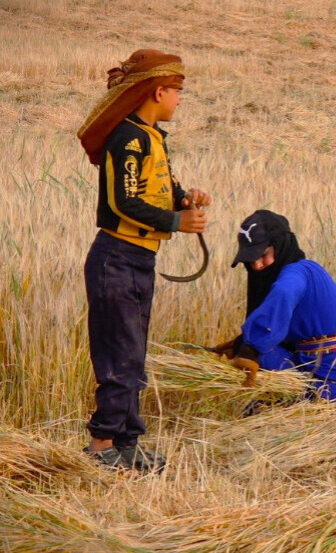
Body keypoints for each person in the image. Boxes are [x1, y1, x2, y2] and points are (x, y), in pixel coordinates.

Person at [77, 49, 211, 472]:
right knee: (119, 355)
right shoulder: (128, 138)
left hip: (137, 259)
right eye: (177, 91)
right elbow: (124, 201)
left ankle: (127, 442)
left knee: (133, 356)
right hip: (116, 258)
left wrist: (185, 199)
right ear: (158, 91)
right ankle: (102, 445)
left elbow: (161, 188)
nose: (179, 99)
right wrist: (175, 221)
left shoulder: (151, 137)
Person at [215, 210, 336, 403]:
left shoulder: (296, 274)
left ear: (280, 246)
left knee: (261, 355)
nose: (256, 265)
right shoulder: (303, 270)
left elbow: (284, 292)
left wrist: (251, 349)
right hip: (317, 373)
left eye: (263, 255)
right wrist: (241, 344)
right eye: (250, 260)